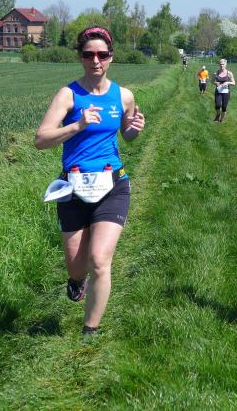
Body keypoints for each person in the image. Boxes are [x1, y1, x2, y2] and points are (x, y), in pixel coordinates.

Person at [35, 26, 145, 337]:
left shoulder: (123, 96)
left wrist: (134, 129)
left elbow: (126, 135)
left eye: (102, 54)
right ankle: (76, 281)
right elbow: (41, 140)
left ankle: (90, 331)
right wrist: (77, 125)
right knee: (76, 265)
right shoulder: (68, 95)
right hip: (72, 188)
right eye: (88, 54)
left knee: (100, 260)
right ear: (80, 57)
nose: (95, 60)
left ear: (111, 57)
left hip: (113, 185)